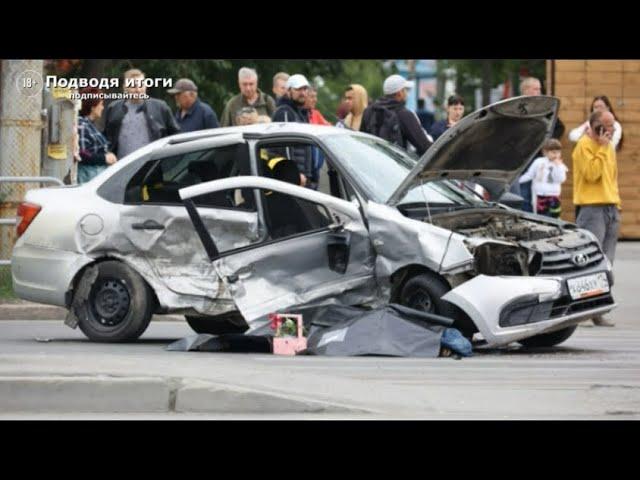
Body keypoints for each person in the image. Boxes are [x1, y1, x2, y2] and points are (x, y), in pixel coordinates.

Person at [572, 110, 620, 327]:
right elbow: (592, 174)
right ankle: (582, 309)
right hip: (592, 209)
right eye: (607, 126)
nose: (611, 130)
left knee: (606, 262)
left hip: (610, 208)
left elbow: (611, 177)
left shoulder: (608, 146)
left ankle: (598, 308)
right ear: (596, 126)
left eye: (612, 125)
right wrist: (600, 147)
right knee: (589, 262)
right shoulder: (584, 145)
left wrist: (616, 203)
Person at [103, 68, 180, 158]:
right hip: (122, 166)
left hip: (152, 165)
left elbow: (175, 135)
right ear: (125, 87)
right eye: (133, 86)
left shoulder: (160, 107)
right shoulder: (114, 108)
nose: (138, 90)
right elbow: (106, 137)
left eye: (141, 85)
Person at [515, 76, 565, 209]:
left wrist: (547, 142)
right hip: (523, 159)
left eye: (539, 89)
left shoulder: (546, 107)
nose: (539, 92)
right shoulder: (515, 107)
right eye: (536, 89)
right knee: (524, 196)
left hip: (541, 158)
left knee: (541, 196)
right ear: (526, 90)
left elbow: (560, 127)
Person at [360, 74, 432, 156]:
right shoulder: (404, 114)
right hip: (395, 165)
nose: (407, 94)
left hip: (369, 163)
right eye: (405, 90)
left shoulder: (369, 111)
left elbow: (361, 140)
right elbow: (424, 146)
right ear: (400, 93)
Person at [271, 74, 313, 186]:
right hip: (292, 178)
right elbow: (285, 146)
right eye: (298, 89)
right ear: (289, 91)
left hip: (301, 176)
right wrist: (294, 174)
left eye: (305, 89)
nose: (303, 93)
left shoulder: (300, 113)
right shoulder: (284, 112)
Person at [518, 138, 567, 218]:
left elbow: (561, 179)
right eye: (553, 152)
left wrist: (558, 167)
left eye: (558, 152)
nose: (556, 155)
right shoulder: (538, 162)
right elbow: (530, 175)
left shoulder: (560, 166)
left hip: (554, 196)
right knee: (541, 217)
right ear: (545, 152)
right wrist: (517, 181)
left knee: (554, 217)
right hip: (540, 195)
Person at [77, 88, 117, 184]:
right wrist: (104, 158)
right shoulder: (82, 124)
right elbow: (81, 153)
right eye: (101, 104)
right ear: (93, 107)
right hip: (88, 178)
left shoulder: (88, 124)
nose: (103, 107)